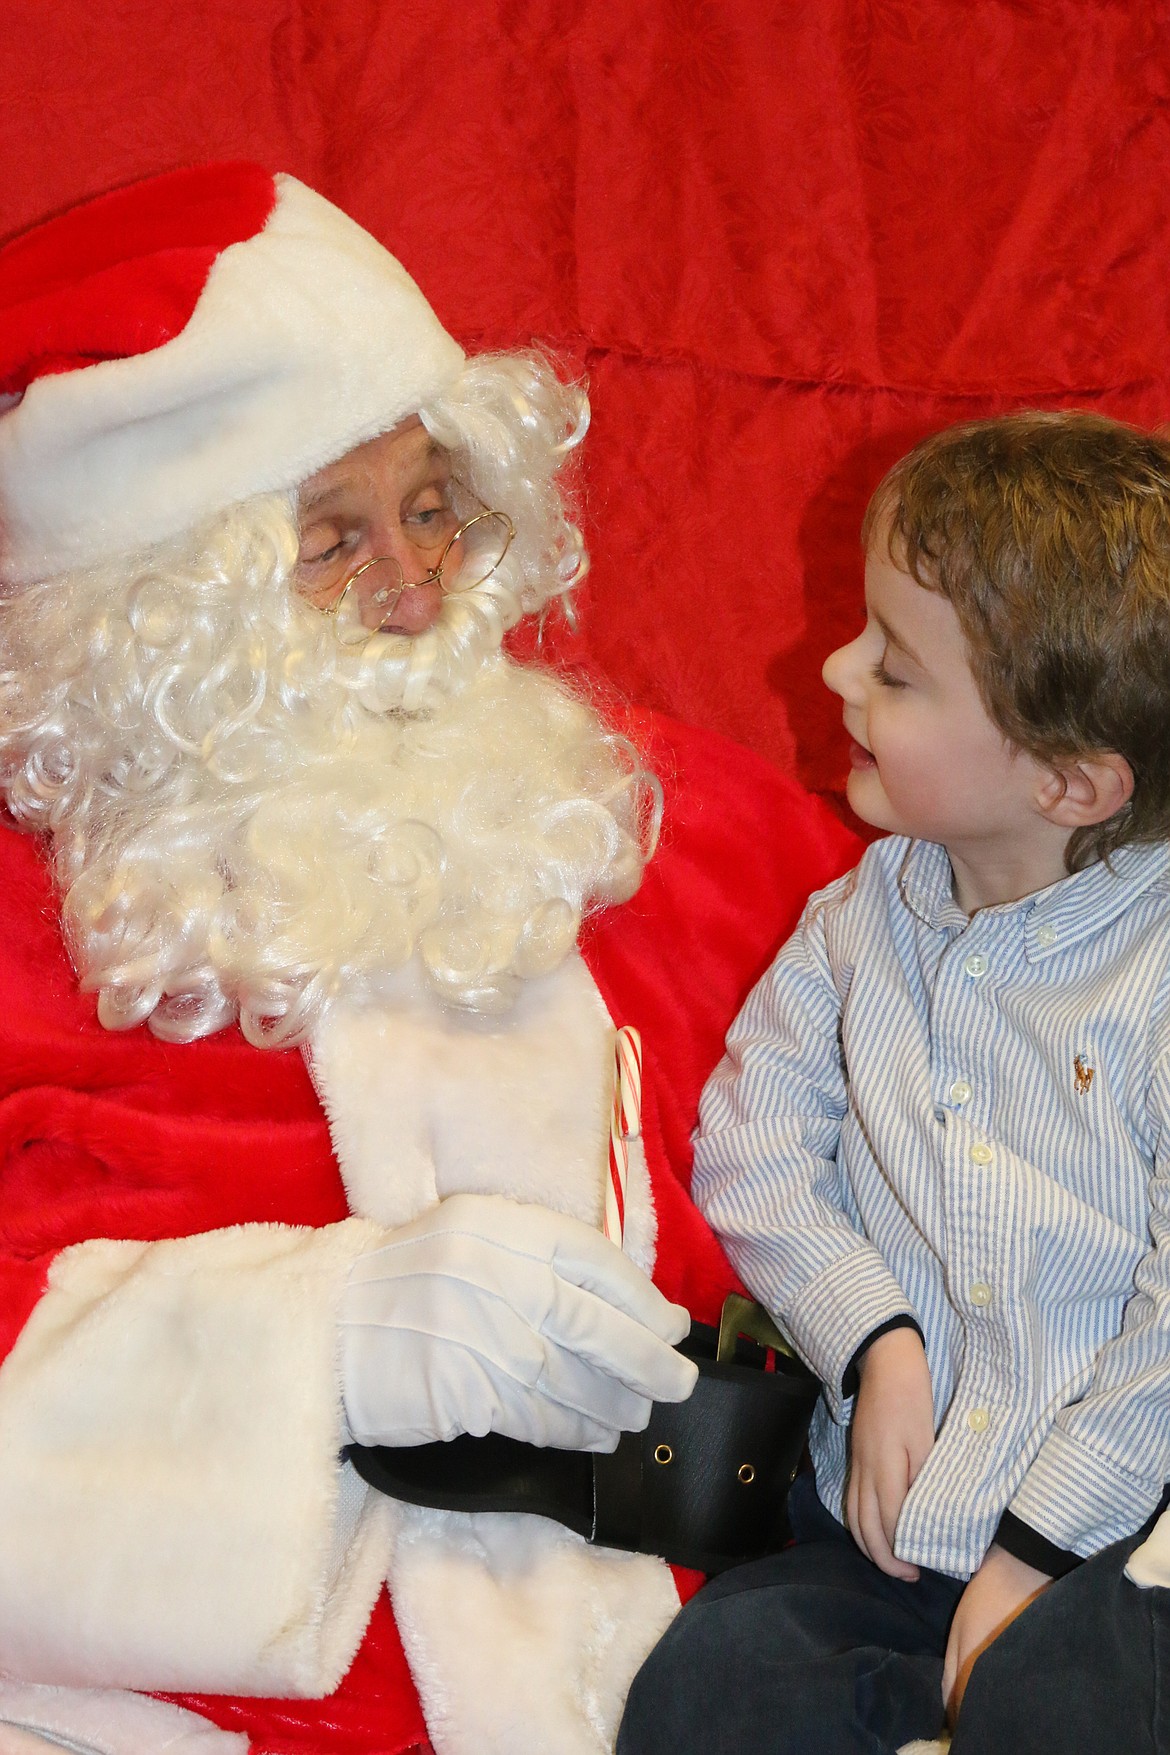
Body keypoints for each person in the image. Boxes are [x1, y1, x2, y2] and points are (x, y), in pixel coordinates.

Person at [0, 163, 856, 1755]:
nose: (414, 585)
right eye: (328, 539)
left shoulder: (693, 822)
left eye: (433, 504)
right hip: (178, 1711)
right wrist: (315, 1339)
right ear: (155, 607)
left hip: (737, 1669)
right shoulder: (20, 918)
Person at [618, 410, 1170, 1755]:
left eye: (896, 668)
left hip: (1114, 1533)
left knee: (1070, 1703)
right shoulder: (861, 918)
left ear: (1067, 780)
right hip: (882, 1521)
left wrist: (1035, 1555)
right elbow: (750, 1149)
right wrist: (873, 1338)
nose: (832, 665)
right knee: (710, 1686)